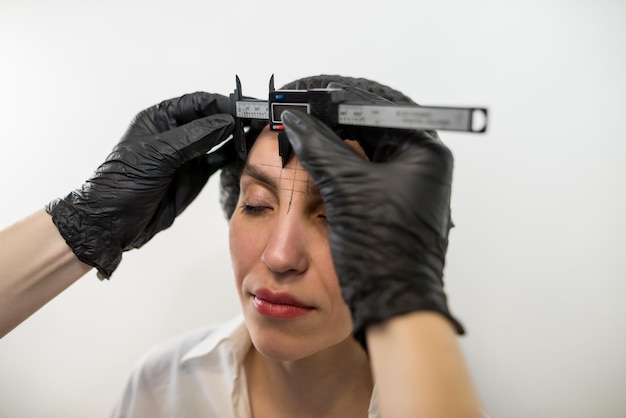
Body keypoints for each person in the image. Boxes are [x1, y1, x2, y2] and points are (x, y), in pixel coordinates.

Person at [0, 75, 484, 417]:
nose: (279, 256)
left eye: (335, 217)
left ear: (406, 247)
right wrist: (83, 224)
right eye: (255, 204)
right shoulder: (162, 387)